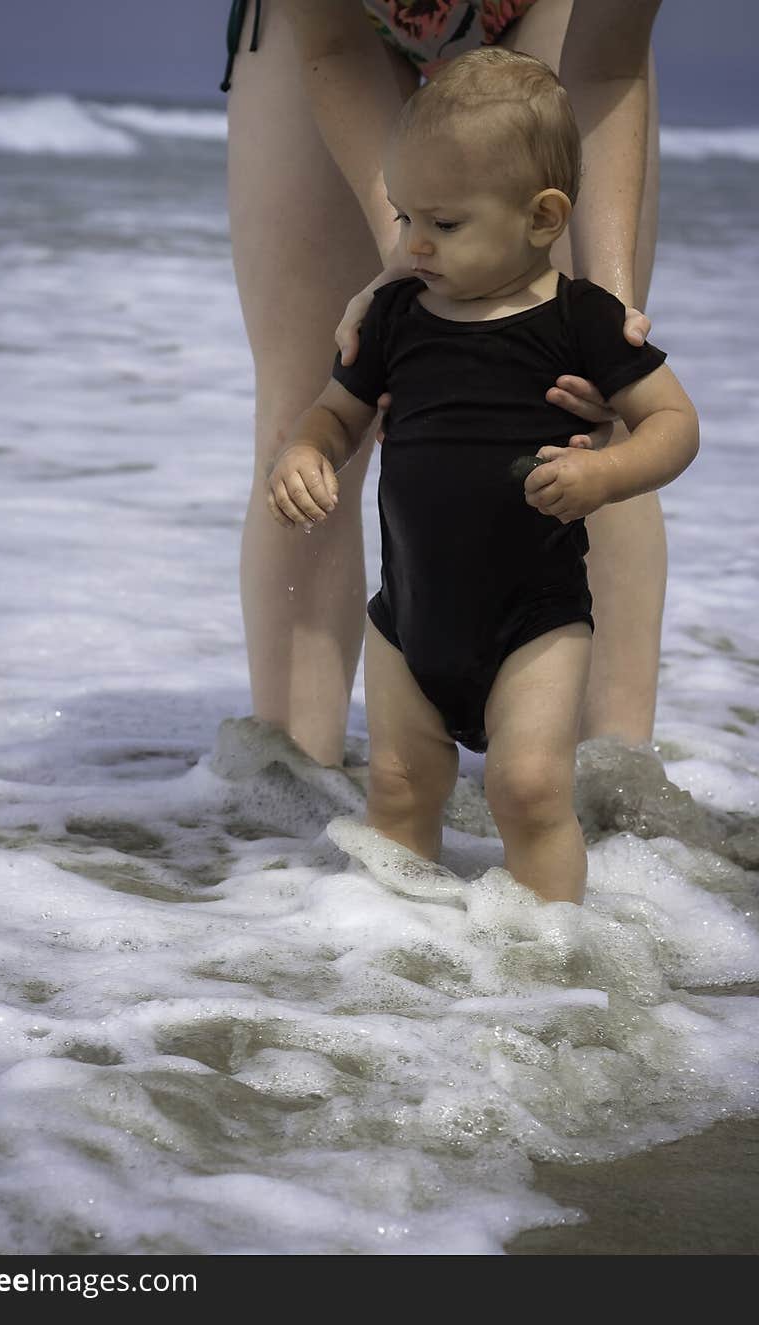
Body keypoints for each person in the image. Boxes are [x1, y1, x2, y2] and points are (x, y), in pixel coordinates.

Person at [264, 49, 698, 903]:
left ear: (542, 217)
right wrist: (306, 452)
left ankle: (543, 964)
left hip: (533, 620)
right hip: (410, 618)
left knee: (531, 791)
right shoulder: (395, 316)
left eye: (446, 223)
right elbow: (337, 413)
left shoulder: (585, 322)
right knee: (394, 787)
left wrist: (608, 475)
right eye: (404, 216)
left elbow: (674, 427)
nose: (414, 243)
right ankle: (399, 961)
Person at [226, 0, 663, 767]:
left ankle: (609, 790)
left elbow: (608, 61)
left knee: (591, 410)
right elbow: (330, 44)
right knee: (308, 406)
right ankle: (286, 807)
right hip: (339, 27)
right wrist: (408, 244)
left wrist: (611, 302)